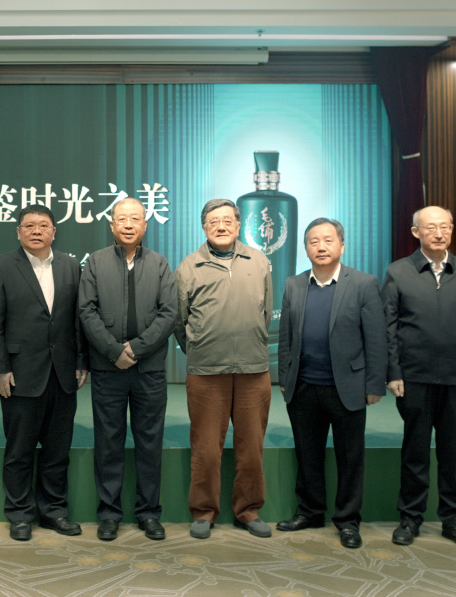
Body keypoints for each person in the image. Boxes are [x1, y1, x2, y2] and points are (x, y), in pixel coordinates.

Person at [275, 218, 386, 549]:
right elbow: (285, 338)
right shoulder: (294, 285)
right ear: (305, 248)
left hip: (346, 387)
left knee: (350, 458)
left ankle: (348, 520)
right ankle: (310, 511)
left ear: (342, 245)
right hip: (304, 386)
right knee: (307, 455)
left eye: (327, 240)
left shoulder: (363, 283)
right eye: (313, 241)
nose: (321, 247)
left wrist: (374, 384)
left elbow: (376, 338)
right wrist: (285, 377)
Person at [0, 204, 88, 541]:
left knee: (57, 451)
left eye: (43, 225)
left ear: (54, 232)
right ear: (18, 232)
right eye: (29, 225)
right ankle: (20, 514)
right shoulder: (0, 266)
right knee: (19, 451)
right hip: (19, 374)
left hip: (62, 373)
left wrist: (81, 360)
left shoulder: (70, 266)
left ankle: (54, 511)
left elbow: (79, 318)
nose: (36, 230)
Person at [382, 205, 456, 551]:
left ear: (452, 230)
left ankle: (454, 520)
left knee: (452, 452)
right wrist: (393, 372)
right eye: (431, 228)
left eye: (445, 227)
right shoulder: (398, 272)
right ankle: (410, 518)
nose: (439, 233)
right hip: (414, 378)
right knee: (415, 450)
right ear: (416, 232)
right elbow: (388, 328)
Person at [78, 197, 177, 542]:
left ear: (145, 225)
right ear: (112, 225)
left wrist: (135, 348)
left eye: (136, 218)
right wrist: (113, 351)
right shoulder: (95, 262)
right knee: (108, 441)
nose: (129, 224)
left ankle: (149, 513)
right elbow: (86, 311)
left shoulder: (160, 263)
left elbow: (169, 313)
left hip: (149, 369)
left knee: (150, 442)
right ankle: (109, 514)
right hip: (108, 369)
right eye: (122, 219)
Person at [174, 198, 273, 540]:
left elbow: (265, 311)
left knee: (251, 448)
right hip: (206, 372)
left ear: (239, 224)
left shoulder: (258, 261)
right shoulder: (189, 266)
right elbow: (180, 321)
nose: (221, 226)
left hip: (253, 370)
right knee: (206, 449)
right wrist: (201, 347)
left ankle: (248, 510)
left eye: (228, 220)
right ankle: (204, 511)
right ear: (204, 227)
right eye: (213, 221)